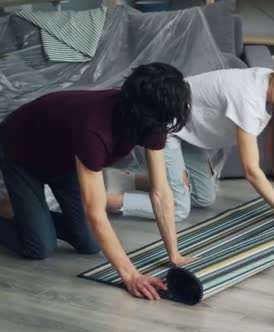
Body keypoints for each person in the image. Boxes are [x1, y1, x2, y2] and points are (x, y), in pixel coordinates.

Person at [0, 63, 195, 300]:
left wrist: (174, 254)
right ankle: (27, 218)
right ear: (142, 111)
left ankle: (24, 213)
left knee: (90, 243)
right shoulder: (94, 129)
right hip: (21, 150)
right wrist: (131, 275)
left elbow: (160, 191)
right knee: (39, 247)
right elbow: (95, 213)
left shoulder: (153, 121)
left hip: (64, 158)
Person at [105, 55, 274, 227]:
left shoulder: (272, 89)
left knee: (203, 197)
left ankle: (128, 180)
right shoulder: (249, 96)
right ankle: (103, 200)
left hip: (191, 134)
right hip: (166, 126)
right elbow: (251, 170)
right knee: (178, 210)